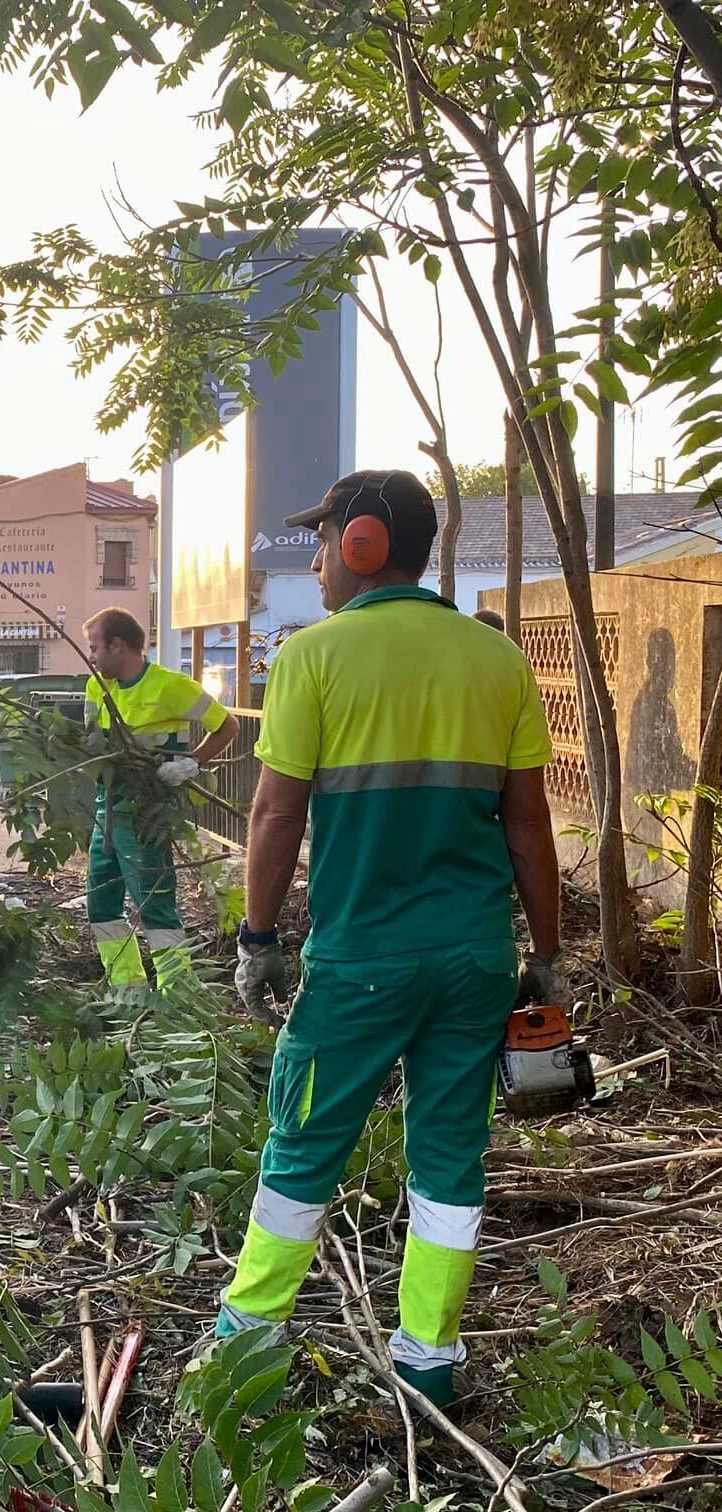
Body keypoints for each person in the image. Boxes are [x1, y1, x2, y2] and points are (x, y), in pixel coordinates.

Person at [222, 470, 564, 1408]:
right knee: (450, 1160)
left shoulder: (314, 658)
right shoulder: (496, 661)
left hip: (361, 964)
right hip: (473, 964)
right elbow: (530, 825)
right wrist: (547, 954)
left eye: (324, 539)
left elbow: (273, 815)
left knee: (302, 1146)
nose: (319, 559)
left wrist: (258, 939)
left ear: (363, 542)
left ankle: (244, 1348)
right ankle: (429, 1362)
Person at [80, 607, 239, 987]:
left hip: (147, 812)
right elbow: (90, 743)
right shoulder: (97, 688)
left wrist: (192, 763)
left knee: (155, 904)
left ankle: (177, 994)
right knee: (100, 901)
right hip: (108, 808)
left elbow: (227, 725)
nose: (91, 657)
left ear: (117, 645)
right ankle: (126, 986)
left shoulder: (171, 686)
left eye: (94, 647)